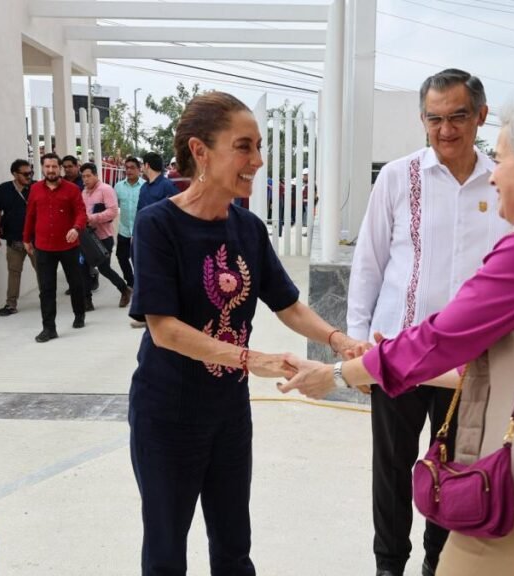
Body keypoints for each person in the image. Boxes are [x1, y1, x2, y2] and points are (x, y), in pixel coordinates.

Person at [281, 95, 514, 576]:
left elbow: (440, 337)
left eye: (504, 159)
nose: (494, 174)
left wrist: (339, 375)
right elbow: (511, 367)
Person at [128, 91, 364, 575]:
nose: (257, 161)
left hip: (228, 415)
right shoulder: (159, 225)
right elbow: (165, 329)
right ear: (200, 151)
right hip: (168, 415)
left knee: (234, 546)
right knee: (166, 553)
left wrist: (339, 340)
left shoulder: (249, 228)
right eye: (244, 147)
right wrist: (249, 358)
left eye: (258, 147)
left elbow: (289, 304)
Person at [346, 68, 508, 576]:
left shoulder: (503, 182)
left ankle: (439, 564)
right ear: (423, 121)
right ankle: (389, 564)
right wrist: (357, 346)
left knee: (455, 470)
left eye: (458, 116)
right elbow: (369, 263)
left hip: (469, 364)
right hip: (399, 353)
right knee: (391, 469)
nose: (446, 129)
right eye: (434, 118)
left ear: (481, 115)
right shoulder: (398, 177)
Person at [24, 152, 88, 342]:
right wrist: (26, 239)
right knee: (46, 289)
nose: (51, 170)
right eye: (47, 166)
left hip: (68, 245)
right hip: (44, 246)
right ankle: (49, 328)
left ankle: (79, 314)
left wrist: (76, 228)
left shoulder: (72, 189)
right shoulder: (35, 189)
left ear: (59, 168)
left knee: (75, 283)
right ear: (42, 168)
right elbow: (30, 216)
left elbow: (81, 213)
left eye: (54, 166)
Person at [80, 161, 132, 309]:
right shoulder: (83, 192)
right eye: (83, 176)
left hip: (104, 237)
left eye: (88, 176)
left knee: (104, 268)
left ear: (96, 175)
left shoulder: (106, 189)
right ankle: (87, 301)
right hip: (86, 237)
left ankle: (124, 289)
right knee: (82, 267)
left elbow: (112, 211)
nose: (85, 179)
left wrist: (92, 218)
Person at [0, 158, 37, 316]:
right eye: (25, 174)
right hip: (14, 241)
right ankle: (11, 304)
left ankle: (47, 298)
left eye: (31, 173)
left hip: (35, 241)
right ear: (14, 174)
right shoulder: (4, 189)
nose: (29, 176)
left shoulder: (37, 187)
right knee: (14, 272)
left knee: (42, 271)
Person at [115, 155, 143, 288]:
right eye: (127, 168)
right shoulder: (118, 186)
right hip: (124, 229)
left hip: (141, 230)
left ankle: (142, 283)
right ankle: (131, 282)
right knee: (121, 257)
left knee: (139, 259)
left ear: (139, 169)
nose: (129, 170)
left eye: (132, 168)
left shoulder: (145, 186)